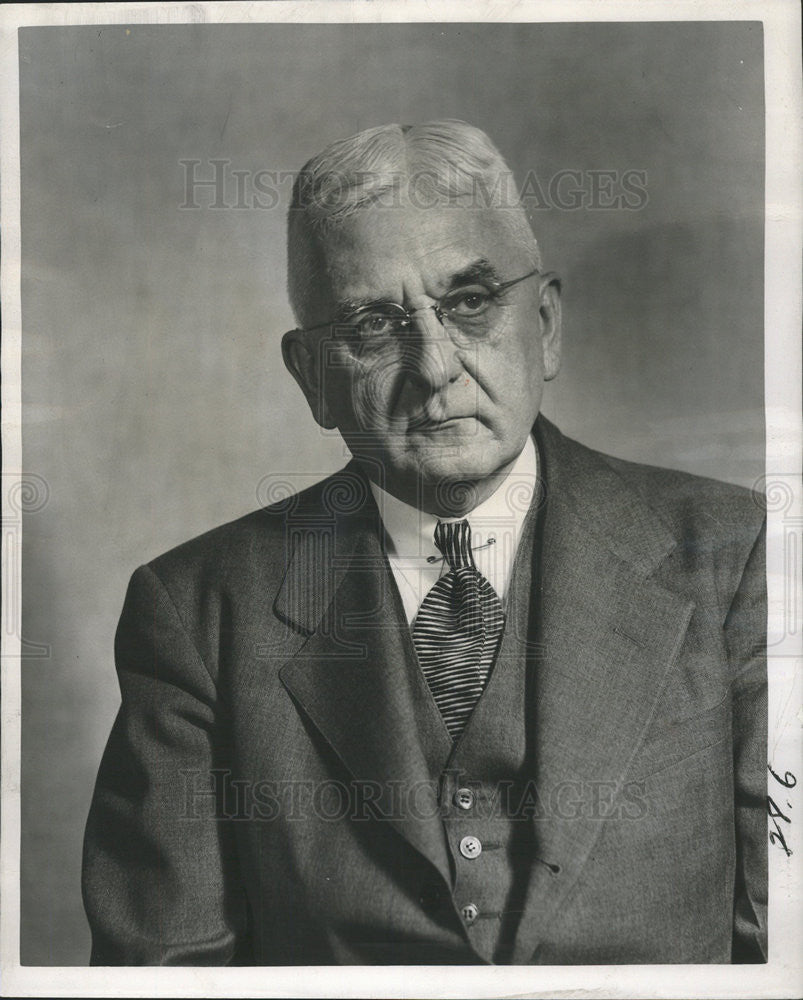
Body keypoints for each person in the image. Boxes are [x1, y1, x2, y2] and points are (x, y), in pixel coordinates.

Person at [82, 120, 767, 965]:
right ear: (313, 377)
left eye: (470, 304)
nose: (434, 364)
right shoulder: (195, 610)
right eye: (373, 325)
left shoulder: (737, 555)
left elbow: (785, 946)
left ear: (544, 324)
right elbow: (167, 975)